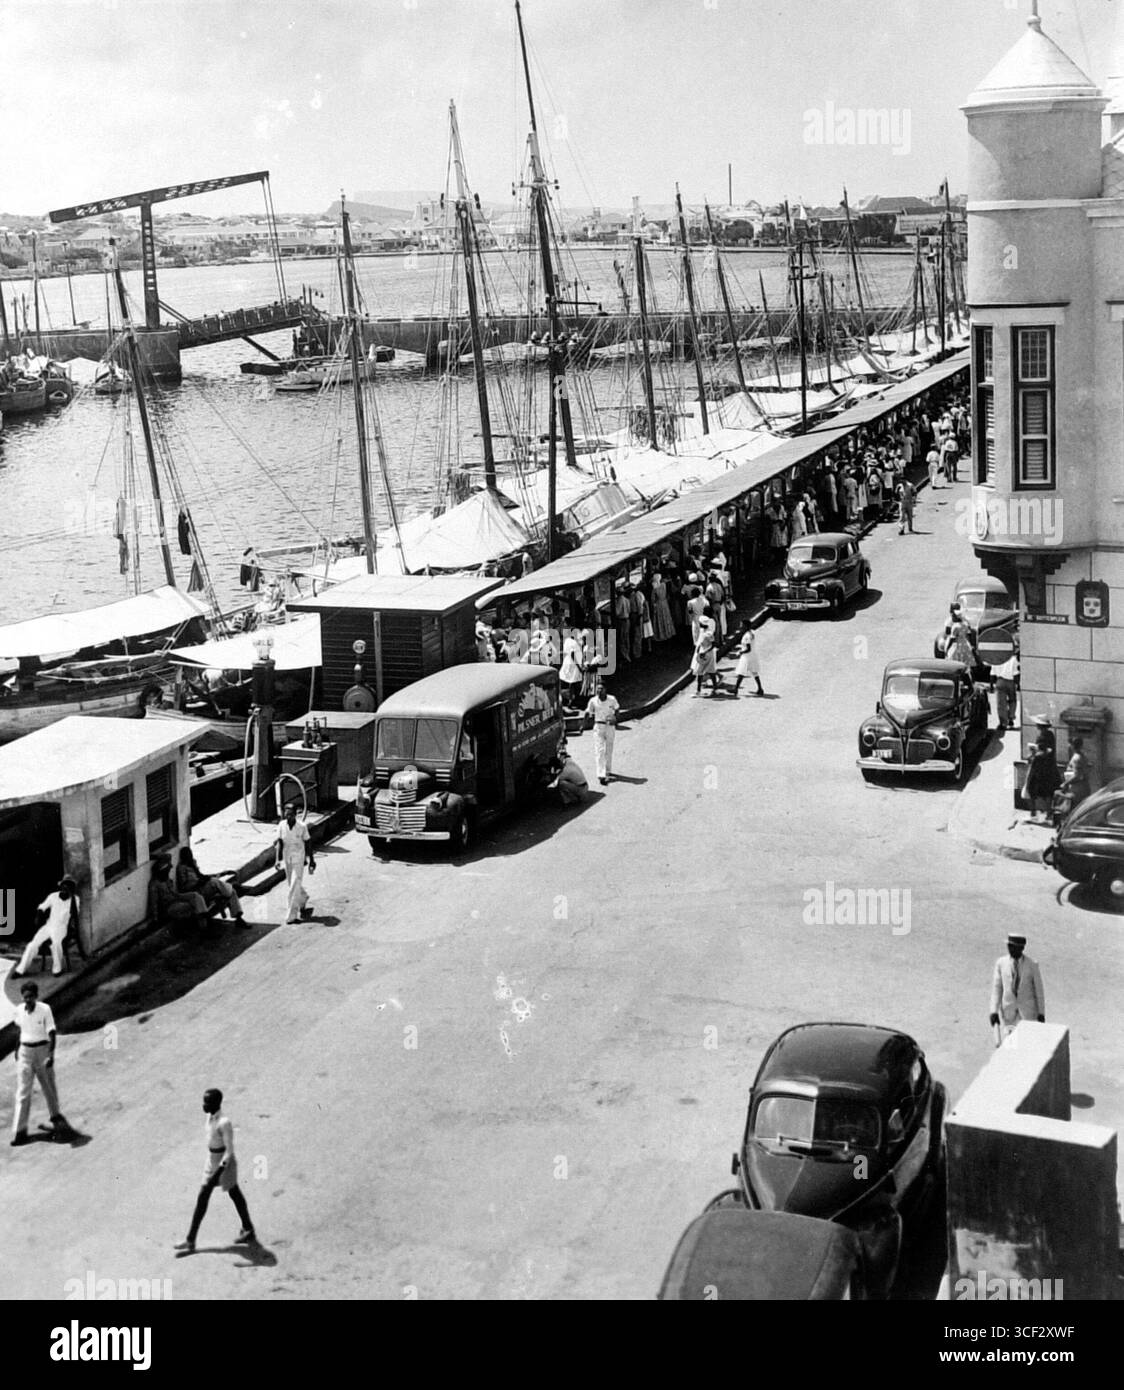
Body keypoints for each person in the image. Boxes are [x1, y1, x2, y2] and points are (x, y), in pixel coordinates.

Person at [174, 1089, 256, 1253]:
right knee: (206, 1198)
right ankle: (191, 1240)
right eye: (204, 1101)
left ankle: (248, 1229)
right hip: (211, 1162)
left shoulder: (224, 1123)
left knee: (234, 1195)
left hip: (224, 1165)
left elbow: (229, 1151)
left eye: (208, 1102)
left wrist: (217, 1174)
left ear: (217, 1103)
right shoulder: (210, 1117)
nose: (204, 1105)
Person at [10, 981, 70, 1145]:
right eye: (25, 997)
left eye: (30, 997)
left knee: (49, 1087)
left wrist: (51, 1055)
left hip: (42, 1050)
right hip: (25, 1052)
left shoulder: (45, 1010)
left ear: (36, 996)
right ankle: (20, 1131)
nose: (28, 1000)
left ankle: (56, 1118)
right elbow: (19, 1031)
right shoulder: (19, 1011)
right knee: (23, 1092)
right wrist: (17, 1050)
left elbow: (52, 1032)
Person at [12, 875, 80, 978]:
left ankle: (57, 969)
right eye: (64, 886)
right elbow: (42, 906)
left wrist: (72, 898)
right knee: (32, 945)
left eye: (68, 886)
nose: (65, 889)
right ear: (60, 887)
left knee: (56, 944)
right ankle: (20, 970)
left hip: (61, 928)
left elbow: (75, 914)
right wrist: (39, 915)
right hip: (49, 925)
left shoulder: (75, 899)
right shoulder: (53, 896)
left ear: (71, 888)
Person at [989, 933, 1045, 1043]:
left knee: (1027, 1045)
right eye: (1009, 946)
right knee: (1010, 1046)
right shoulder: (1001, 963)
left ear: (1021, 948)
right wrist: (993, 1011)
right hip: (1009, 1014)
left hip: (1028, 1015)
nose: (1010, 949)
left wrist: (1041, 1013)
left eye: (1013, 946)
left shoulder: (1032, 965)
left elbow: (1039, 991)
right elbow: (997, 989)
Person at [176, 848, 246, 927]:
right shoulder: (181, 868)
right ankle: (231, 887)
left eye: (190, 854)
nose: (190, 857)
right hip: (197, 891)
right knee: (214, 882)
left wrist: (220, 874)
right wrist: (199, 883)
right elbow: (184, 887)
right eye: (187, 855)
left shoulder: (193, 863)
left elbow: (201, 875)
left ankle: (239, 918)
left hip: (204, 887)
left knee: (232, 892)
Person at [149, 856, 211, 933]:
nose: (168, 872)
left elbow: (167, 855)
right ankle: (205, 927)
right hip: (169, 907)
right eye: (167, 870)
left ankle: (205, 918)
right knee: (192, 906)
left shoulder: (166, 879)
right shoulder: (154, 884)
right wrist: (155, 919)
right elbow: (153, 903)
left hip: (176, 899)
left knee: (196, 896)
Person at [275, 804, 315, 923]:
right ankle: (303, 898)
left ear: (295, 815)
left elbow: (308, 843)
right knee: (292, 884)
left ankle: (291, 916)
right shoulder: (282, 825)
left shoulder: (302, 827)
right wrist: (277, 859)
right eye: (287, 815)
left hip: (299, 859)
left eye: (291, 815)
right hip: (287, 858)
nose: (289, 817)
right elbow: (279, 843)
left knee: (293, 886)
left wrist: (312, 860)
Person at [1023, 716, 1061, 823]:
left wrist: (1033, 754)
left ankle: (1033, 813)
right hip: (1049, 767)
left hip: (1039, 768)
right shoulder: (1050, 735)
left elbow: (1043, 752)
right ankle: (1049, 814)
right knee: (1048, 792)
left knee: (1030, 789)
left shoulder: (1041, 737)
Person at [584, 680, 620, 785]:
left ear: (605, 690)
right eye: (597, 689)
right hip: (598, 726)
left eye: (601, 689)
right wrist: (583, 725)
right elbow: (587, 712)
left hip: (609, 726)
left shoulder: (612, 699)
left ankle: (607, 770)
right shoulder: (593, 701)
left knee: (609, 749)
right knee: (599, 750)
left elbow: (617, 710)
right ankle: (601, 774)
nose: (599, 691)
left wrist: (615, 719)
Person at [691, 611, 721, 697]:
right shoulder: (703, 631)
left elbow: (714, 644)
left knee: (711, 671)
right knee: (699, 672)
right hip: (702, 654)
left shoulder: (708, 633)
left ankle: (715, 689)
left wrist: (705, 651)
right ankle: (698, 690)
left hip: (708, 654)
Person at [732, 619, 764, 697]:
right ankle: (760, 688)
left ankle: (735, 689)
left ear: (745, 626)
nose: (741, 626)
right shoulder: (751, 633)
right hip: (753, 655)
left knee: (741, 672)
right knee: (754, 672)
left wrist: (740, 652)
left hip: (747, 656)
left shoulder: (747, 636)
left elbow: (748, 648)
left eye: (742, 625)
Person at [992, 649, 1019, 730]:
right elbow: (1015, 673)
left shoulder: (996, 659)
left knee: (1001, 703)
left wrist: (992, 685)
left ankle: (1003, 722)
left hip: (1000, 681)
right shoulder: (1013, 659)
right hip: (1011, 681)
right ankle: (1011, 717)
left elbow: (992, 673)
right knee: (1012, 700)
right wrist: (1017, 684)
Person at [1064, 736, 1093, 806]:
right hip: (1084, 787)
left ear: (1072, 745)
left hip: (1077, 789)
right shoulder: (1083, 756)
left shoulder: (1076, 758)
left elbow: (1077, 775)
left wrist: (1065, 783)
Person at [558, 630, 584, 706]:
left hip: (568, 662)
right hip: (573, 664)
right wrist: (579, 667)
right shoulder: (573, 642)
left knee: (568, 681)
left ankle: (569, 699)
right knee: (572, 682)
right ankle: (570, 700)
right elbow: (573, 654)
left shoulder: (568, 641)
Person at [650, 570, 675, 642]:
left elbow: (653, 599)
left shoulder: (654, 588)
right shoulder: (663, 585)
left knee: (659, 618)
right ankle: (668, 632)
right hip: (664, 602)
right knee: (666, 617)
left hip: (658, 604)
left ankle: (660, 634)